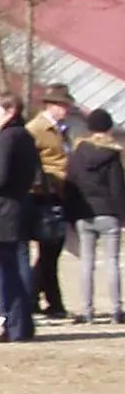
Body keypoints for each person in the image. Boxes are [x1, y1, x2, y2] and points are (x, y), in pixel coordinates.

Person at [0, 93, 40, 343]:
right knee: (17, 265)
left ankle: (14, 325)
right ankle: (22, 323)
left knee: (7, 270)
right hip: (20, 204)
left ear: (10, 110)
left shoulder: (7, 137)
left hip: (4, 209)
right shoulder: (26, 136)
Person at [65, 106, 124, 324]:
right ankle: (116, 309)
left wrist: (71, 215)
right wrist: (122, 216)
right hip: (108, 213)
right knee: (112, 262)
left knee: (86, 263)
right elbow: (117, 188)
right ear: (108, 129)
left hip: (84, 214)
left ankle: (87, 310)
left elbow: (70, 185)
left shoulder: (77, 153)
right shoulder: (112, 155)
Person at [27, 83, 76, 319]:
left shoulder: (61, 129)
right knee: (49, 249)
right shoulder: (37, 129)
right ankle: (50, 302)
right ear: (51, 105)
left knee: (50, 251)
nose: (67, 109)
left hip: (60, 192)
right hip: (45, 194)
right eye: (63, 105)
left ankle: (35, 298)